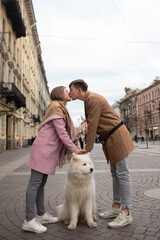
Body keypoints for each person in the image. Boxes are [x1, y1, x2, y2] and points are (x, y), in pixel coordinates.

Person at [69, 79, 135, 229]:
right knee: (115, 173)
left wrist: (88, 147)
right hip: (110, 138)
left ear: (79, 90)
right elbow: (93, 124)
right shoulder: (88, 100)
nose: (69, 92)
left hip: (117, 136)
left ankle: (126, 212)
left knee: (123, 173)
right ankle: (116, 206)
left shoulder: (93, 99)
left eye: (70, 89)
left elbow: (92, 124)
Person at [22, 86, 81, 234]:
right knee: (35, 183)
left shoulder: (60, 108)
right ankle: (29, 220)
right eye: (66, 91)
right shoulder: (56, 107)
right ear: (59, 94)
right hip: (43, 149)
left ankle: (41, 215)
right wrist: (75, 150)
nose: (68, 93)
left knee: (41, 184)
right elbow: (61, 132)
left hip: (48, 151)